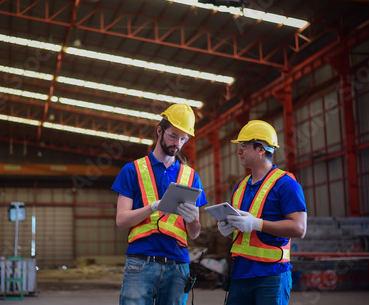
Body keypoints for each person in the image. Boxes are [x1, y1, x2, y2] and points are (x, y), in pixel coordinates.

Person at [112, 103, 208, 305]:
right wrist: (152, 207)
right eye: (173, 136)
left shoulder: (191, 177)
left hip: (178, 264)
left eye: (183, 138)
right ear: (159, 131)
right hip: (141, 260)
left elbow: (195, 232)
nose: (178, 143)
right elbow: (121, 221)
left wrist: (192, 220)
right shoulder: (132, 170)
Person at [218, 120, 307, 305]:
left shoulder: (286, 184)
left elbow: (299, 228)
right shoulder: (241, 187)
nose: (239, 150)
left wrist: (257, 224)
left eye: (244, 145)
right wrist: (228, 228)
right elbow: (245, 233)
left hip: (271, 276)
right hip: (240, 273)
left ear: (261, 149)